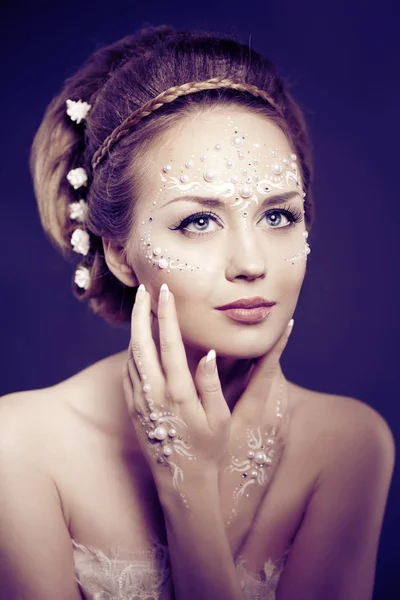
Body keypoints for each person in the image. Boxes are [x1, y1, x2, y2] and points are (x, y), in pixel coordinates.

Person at [0, 24, 395, 600]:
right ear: (119, 253)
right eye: (198, 221)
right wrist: (188, 481)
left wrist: (192, 493)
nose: (251, 262)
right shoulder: (20, 445)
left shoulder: (350, 446)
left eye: (279, 216)